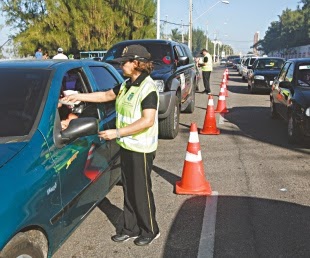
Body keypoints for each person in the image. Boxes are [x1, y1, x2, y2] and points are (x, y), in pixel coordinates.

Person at [61, 44, 160, 246]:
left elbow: (147, 120)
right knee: (129, 190)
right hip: (127, 145)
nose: (121, 66)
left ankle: (150, 230)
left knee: (141, 190)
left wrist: (117, 132)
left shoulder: (147, 88)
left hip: (141, 148)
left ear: (137, 63)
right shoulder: (126, 84)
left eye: (125, 62)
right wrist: (78, 96)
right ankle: (130, 228)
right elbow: (105, 96)